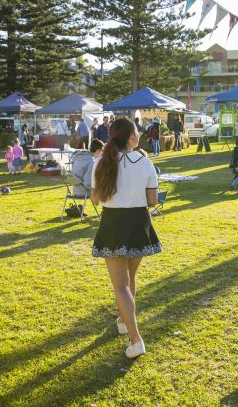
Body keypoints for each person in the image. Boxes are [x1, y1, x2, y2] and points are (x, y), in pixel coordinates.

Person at [90, 118, 160, 359]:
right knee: (129, 279)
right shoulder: (146, 163)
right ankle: (123, 320)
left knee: (121, 285)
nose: (139, 134)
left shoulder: (100, 161)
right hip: (139, 223)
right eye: (137, 131)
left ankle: (135, 338)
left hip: (113, 224)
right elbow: (152, 201)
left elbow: (95, 199)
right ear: (130, 137)